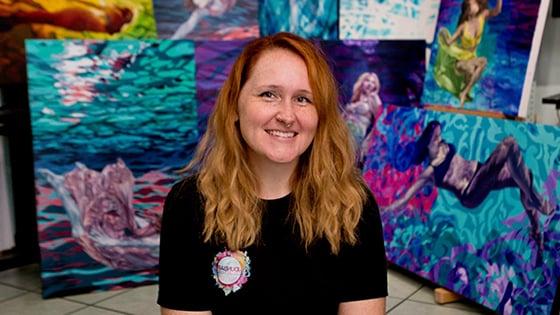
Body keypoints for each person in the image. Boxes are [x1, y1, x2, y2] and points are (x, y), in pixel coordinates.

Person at [157, 32, 387, 314]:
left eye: (303, 99)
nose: (287, 115)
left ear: (321, 116)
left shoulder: (353, 204)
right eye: (269, 94)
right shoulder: (189, 203)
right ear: (235, 106)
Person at [383, 120, 555, 255]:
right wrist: (386, 210)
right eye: (435, 138)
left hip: (480, 171)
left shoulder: (445, 147)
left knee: (525, 177)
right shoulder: (430, 172)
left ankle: (536, 231)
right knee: (508, 144)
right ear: (427, 143)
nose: (440, 139)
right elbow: (406, 197)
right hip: (470, 191)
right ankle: (536, 200)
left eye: (440, 135)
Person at [434, 0, 502, 107]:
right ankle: (464, 92)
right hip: (460, 61)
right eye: (472, 3)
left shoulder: (482, 17)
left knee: (482, 62)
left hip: (472, 58)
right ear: (467, 10)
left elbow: (497, 11)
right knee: (472, 68)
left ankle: (465, 92)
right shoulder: (463, 27)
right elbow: (449, 42)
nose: (476, 4)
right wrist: (443, 33)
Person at [0, 0, 133, 34]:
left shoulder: (116, 20)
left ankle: (10, 17)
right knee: (42, 17)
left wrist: (115, 10)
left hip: (76, 19)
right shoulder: (112, 21)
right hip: (76, 19)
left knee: (43, 17)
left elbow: (110, 12)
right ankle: (12, 18)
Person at [342, 72, 382, 165]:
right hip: (343, 133)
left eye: (373, 82)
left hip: (356, 135)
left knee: (348, 163)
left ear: (375, 87)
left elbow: (380, 121)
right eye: (367, 80)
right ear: (362, 82)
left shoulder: (373, 98)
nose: (369, 84)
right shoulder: (355, 97)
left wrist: (368, 140)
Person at [171, 0, 237, 39]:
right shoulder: (202, 6)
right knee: (190, 23)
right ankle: (174, 38)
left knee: (193, 21)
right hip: (207, 8)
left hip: (213, 8)